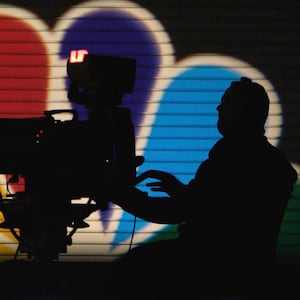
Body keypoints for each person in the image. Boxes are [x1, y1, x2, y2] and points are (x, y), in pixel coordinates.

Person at [111, 77, 298, 297]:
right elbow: (215, 205)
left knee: (132, 269)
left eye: (227, 102)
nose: (218, 108)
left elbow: (185, 212)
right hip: (246, 269)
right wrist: (181, 192)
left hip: (209, 267)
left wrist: (121, 195)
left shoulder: (230, 158)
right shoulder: (272, 162)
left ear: (243, 110)